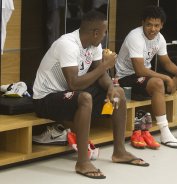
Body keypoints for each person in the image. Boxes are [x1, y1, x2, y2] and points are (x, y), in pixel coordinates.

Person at [33, 10, 149, 179]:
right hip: (46, 98)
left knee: (119, 94)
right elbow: (74, 83)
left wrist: (110, 87)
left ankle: (119, 152)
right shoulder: (68, 45)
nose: (104, 36)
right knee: (85, 98)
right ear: (95, 33)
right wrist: (105, 65)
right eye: (103, 32)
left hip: (69, 93)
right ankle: (82, 162)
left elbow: (99, 73)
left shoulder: (93, 45)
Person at [115, 5, 177, 149]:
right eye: (149, 25)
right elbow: (139, 70)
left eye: (156, 25)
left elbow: (166, 62)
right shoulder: (135, 36)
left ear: (162, 25)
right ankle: (165, 133)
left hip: (145, 78)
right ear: (142, 23)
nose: (153, 29)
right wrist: (167, 79)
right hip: (125, 79)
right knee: (158, 83)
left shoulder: (160, 38)